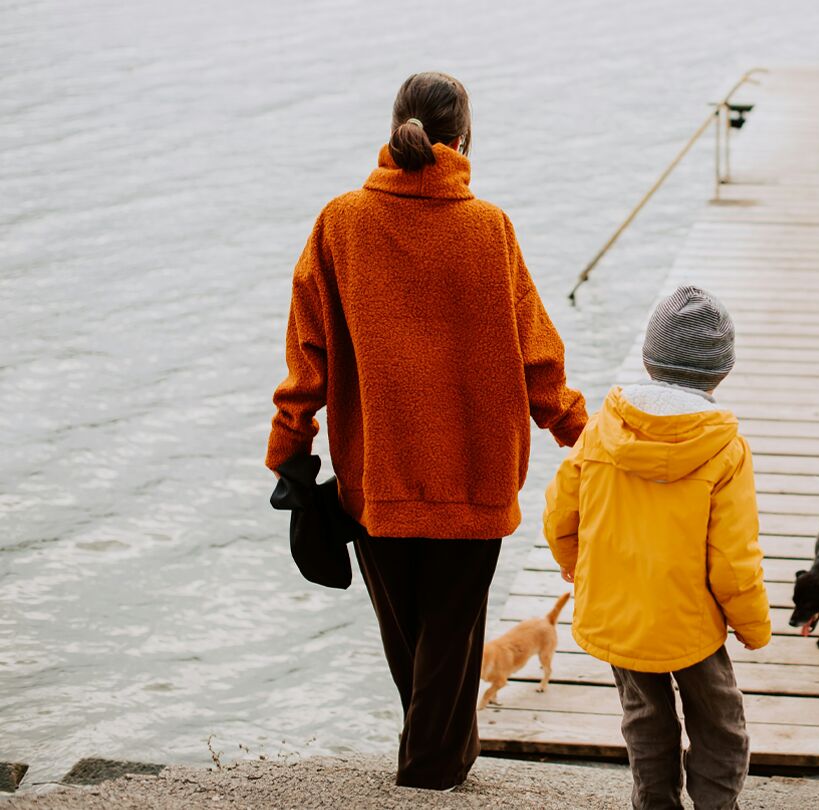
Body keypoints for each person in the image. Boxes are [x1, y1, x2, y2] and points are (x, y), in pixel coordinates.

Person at [264, 71, 587, 791]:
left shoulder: (339, 222)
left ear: (395, 129)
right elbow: (539, 355)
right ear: (465, 139)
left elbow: (306, 354)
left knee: (412, 641)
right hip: (476, 474)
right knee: (446, 640)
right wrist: (579, 431)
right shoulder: (490, 229)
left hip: (377, 475)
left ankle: (433, 764)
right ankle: (433, 772)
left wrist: (291, 447)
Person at [542, 286, 770, 810]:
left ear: (648, 359)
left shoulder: (600, 431)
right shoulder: (725, 449)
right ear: (723, 370)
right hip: (690, 622)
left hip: (617, 611)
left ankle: (655, 804)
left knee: (645, 716)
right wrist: (752, 625)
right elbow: (734, 560)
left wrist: (577, 568)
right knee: (719, 723)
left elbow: (559, 516)